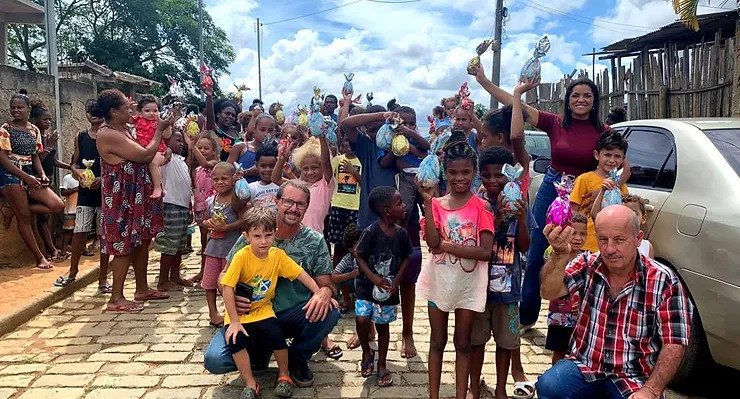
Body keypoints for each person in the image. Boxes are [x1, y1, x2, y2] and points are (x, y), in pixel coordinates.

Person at [475, 65, 612, 329]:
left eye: (587, 95)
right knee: (537, 249)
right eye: (575, 96)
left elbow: (621, 166)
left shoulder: (604, 131)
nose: (581, 100)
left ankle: (574, 319)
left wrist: (603, 185)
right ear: (568, 101)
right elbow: (512, 106)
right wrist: (485, 82)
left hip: (583, 195)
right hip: (552, 187)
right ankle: (527, 316)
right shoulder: (555, 123)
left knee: (579, 251)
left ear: (595, 101)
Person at [537, 205, 693, 399]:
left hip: (634, 375)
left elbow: (676, 342)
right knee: (550, 386)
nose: (610, 249)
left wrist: (652, 389)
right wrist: (559, 255)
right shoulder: (588, 264)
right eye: (603, 240)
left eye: (619, 240)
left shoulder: (664, 281)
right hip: (585, 366)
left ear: (638, 238)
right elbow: (548, 292)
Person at [204, 180, 340, 388]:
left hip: (293, 314)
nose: (294, 208)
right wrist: (231, 294)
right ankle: (260, 353)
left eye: (300, 204)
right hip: (251, 314)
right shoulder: (253, 234)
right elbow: (224, 276)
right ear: (277, 201)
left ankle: (297, 358)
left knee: (330, 310)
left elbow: (327, 284)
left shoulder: (314, 241)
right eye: (288, 201)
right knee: (215, 360)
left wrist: (323, 292)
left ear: (306, 207)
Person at [416, 139, 494, 399]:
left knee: (463, 344)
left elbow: (484, 251)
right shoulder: (436, 205)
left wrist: (447, 246)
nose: (459, 178)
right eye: (452, 172)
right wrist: (427, 202)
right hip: (439, 282)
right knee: (437, 342)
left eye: (465, 172)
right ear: (444, 173)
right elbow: (431, 243)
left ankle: (461, 395)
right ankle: (433, 396)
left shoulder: (482, 207)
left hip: (468, 286)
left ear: (474, 172)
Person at [222, 207, 326, 399]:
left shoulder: (277, 256)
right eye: (257, 236)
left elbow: (300, 274)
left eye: (268, 235)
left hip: (263, 309)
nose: (263, 241)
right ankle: (250, 382)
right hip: (239, 314)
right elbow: (227, 287)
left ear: (274, 234)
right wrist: (234, 321)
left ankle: (284, 374)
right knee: (235, 340)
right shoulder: (241, 256)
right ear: (246, 236)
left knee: (275, 334)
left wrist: (319, 291)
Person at [469, 147, 536, 399]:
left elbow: (525, 246)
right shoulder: (477, 204)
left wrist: (519, 218)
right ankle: (474, 388)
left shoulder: (519, 202)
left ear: (510, 175)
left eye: (500, 175)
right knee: (476, 342)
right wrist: (494, 219)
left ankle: (500, 389)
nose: (493, 181)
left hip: (508, 289)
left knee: (506, 343)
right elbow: (473, 242)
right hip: (478, 288)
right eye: (486, 176)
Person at [94, 89, 170, 312]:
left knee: (142, 241)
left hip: (135, 194)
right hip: (121, 199)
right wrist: (159, 130)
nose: (131, 110)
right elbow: (144, 155)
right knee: (123, 245)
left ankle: (142, 288)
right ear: (113, 112)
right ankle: (116, 298)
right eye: (126, 108)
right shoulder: (108, 133)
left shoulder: (123, 128)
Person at [355, 186, 413, 387]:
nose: (404, 206)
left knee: (383, 326)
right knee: (362, 319)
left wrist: (396, 281)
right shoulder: (370, 232)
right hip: (365, 286)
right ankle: (366, 351)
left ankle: (381, 363)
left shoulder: (402, 234)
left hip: (387, 289)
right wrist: (372, 277)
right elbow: (359, 255)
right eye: (399, 203)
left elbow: (407, 257)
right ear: (387, 211)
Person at [0, 93, 65, 270]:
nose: (16, 110)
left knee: (57, 205)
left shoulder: (33, 130)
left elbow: (35, 156)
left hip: (30, 172)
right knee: (26, 219)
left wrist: (42, 174)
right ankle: (40, 257)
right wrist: (26, 177)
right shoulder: (6, 129)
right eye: (13, 107)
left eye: (20, 107)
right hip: (10, 174)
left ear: (28, 109)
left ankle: (13, 208)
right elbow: (3, 159)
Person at [56, 100, 110, 292]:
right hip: (86, 192)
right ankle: (72, 272)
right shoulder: (81, 137)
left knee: (104, 236)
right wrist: (77, 173)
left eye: (97, 111)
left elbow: (118, 165)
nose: (93, 114)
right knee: (79, 232)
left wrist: (104, 179)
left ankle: (103, 279)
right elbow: (74, 163)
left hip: (106, 193)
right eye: (89, 111)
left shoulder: (111, 136)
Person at [202, 162, 248, 327]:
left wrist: (226, 227)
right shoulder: (211, 200)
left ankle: (232, 312)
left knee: (230, 282)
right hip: (213, 247)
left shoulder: (236, 200)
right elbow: (204, 219)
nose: (220, 182)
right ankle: (213, 312)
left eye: (224, 178)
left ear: (233, 179)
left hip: (232, 249)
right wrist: (208, 223)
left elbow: (244, 220)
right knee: (209, 282)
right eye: (216, 179)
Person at [571, 130, 629, 252]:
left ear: (623, 159)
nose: (612, 160)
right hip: (585, 244)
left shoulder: (621, 187)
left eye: (617, 156)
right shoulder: (584, 180)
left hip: (608, 246)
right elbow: (572, 212)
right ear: (597, 155)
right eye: (607, 155)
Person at [30, 100, 72, 263]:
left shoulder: (47, 137)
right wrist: (50, 145)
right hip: (37, 179)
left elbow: (53, 160)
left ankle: (51, 249)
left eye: (49, 119)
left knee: (47, 217)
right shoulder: (35, 137)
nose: (48, 122)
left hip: (49, 178)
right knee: (44, 216)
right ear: (35, 121)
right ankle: (50, 250)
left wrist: (71, 167)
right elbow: (37, 159)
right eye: (45, 119)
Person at [544, 213, 588, 365]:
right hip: (559, 317)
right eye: (573, 233)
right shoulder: (554, 255)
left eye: (583, 234)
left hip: (579, 318)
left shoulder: (587, 259)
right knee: (559, 351)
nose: (578, 238)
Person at [154, 131, 193, 291]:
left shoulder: (181, 160)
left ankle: (175, 276)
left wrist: (189, 206)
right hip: (170, 204)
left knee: (179, 245)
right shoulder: (165, 156)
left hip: (182, 206)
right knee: (170, 245)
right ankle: (163, 280)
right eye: (177, 140)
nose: (181, 143)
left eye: (181, 140)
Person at [271, 136, 334, 234]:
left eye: (314, 168)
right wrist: (281, 160)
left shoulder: (325, 185)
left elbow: (326, 162)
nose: (310, 172)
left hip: (313, 237)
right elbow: (276, 179)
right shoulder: (300, 186)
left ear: (322, 167)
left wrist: (322, 137)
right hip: (291, 235)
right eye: (305, 168)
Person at [327, 137, 362, 267]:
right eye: (344, 143)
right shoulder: (337, 160)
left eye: (350, 142)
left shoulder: (362, 161)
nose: (347, 145)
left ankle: (352, 274)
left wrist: (353, 171)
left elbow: (365, 184)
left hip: (355, 207)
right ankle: (336, 275)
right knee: (338, 245)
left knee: (353, 244)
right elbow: (328, 176)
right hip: (338, 206)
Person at [132, 96, 171, 199]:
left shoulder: (159, 122)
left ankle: (158, 187)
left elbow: (167, 135)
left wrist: (167, 125)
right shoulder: (138, 120)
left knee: (153, 163)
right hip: (144, 151)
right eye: (147, 110)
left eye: (155, 110)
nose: (151, 113)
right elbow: (129, 119)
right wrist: (132, 109)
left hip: (159, 151)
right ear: (140, 112)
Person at [204, 85, 242, 161]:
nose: (230, 117)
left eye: (233, 115)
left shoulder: (237, 132)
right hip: (218, 170)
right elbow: (210, 117)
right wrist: (209, 97)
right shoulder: (214, 130)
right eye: (227, 113)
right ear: (218, 114)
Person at [332, 223, 361, 313]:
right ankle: (347, 299)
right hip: (353, 283)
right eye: (357, 245)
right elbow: (333, 277)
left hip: (367, 288)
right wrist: (351, 275)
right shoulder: (347, 259)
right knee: (343, 275)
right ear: (350, 249)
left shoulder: (370, 257)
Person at [247, 142, 279, 211]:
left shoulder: (283, 185)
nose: (268, 170)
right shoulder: (251, 188)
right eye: (263, 166)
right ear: (256, 165)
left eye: (272, 166)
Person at [58, 172, 78, 257]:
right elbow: (63, 192)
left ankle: (83, 249)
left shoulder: (86, 176)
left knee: (82, 231)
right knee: (68, 231)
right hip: (70, 209)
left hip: (81, 208)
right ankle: (63, 251)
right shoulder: (67, 178)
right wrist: (75, 189)